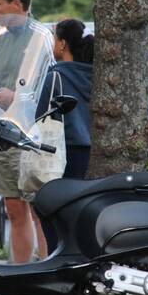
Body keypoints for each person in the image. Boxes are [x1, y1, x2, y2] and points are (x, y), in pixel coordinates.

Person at [0, 0, 55, 264]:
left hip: (33, 136)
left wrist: (16, 97)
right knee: (13, 208)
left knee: (39, 209)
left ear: (16, 4)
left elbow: (48, 88)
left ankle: (45, 277)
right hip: (5, 132)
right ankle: (18, 275)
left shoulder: (42, 38)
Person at [35, 19, 95, 252]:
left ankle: (56, 258)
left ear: (62, 44)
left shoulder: (57, 76)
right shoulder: (97, 75)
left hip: (64, 153)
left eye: (53, 38)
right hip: (92, 152)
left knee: (51, 209)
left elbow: (42, 117)